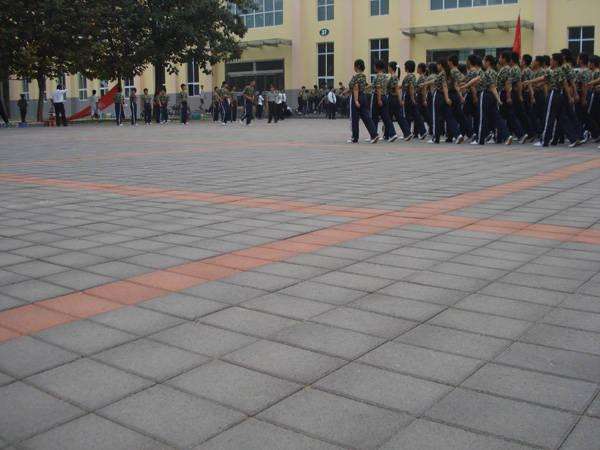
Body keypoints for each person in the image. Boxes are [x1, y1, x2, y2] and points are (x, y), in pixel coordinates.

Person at [525, 53, 581, 147]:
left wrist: (529, 81)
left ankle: (544, 141)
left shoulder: (553, 71)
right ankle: (573, 139)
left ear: (555, 61)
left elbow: (543, 78)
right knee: (563, 118)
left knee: (548, 118)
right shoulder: (560, 70)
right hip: (560, 95)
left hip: (553, 94)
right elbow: (564, 84)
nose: (550, 61)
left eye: (551, 60)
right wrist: (569, 97)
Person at [348, 59, 379, 144]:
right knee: (366, 117)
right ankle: (374, 134)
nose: (354, 67)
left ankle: (355, 137)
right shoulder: (363, 76)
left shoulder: (356, 77)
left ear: (357, 66)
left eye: (354, 66)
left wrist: (356, 100)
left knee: (355, 119)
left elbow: (356, 88)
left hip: (357, 97)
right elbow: (366, 86)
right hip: (364, 97)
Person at [373, 60, 398, 142]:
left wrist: (379, 99)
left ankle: (374, 135)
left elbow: (378, 88)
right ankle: (393, 134)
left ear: (377, 67)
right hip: (385, 97)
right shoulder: (385, 76)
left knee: (374, 117)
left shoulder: (377, 76)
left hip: (378, 97)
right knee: (386, 117)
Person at [403, 60, 427, 140]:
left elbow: (411, 87)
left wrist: (412, 98)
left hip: (409, 97)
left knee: (407, 115)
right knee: (416, 115)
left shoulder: (408, 76)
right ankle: (423, 131)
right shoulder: (413, 76)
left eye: (405, 66)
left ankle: (407, 133)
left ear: (407, 67)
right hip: (413, 96)